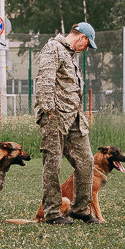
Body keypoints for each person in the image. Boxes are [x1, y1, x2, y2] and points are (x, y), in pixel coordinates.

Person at [34, 22, 98, 225]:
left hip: (74, 119)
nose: (86, 49)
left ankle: (80, 209)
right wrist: (50, 112)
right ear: (81, 37)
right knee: (52, 166)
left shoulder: (70, 55)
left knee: (86, 161)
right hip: (55, 119)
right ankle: (52, 212)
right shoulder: (53, 48)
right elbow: (44, 82)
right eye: (87, 44)